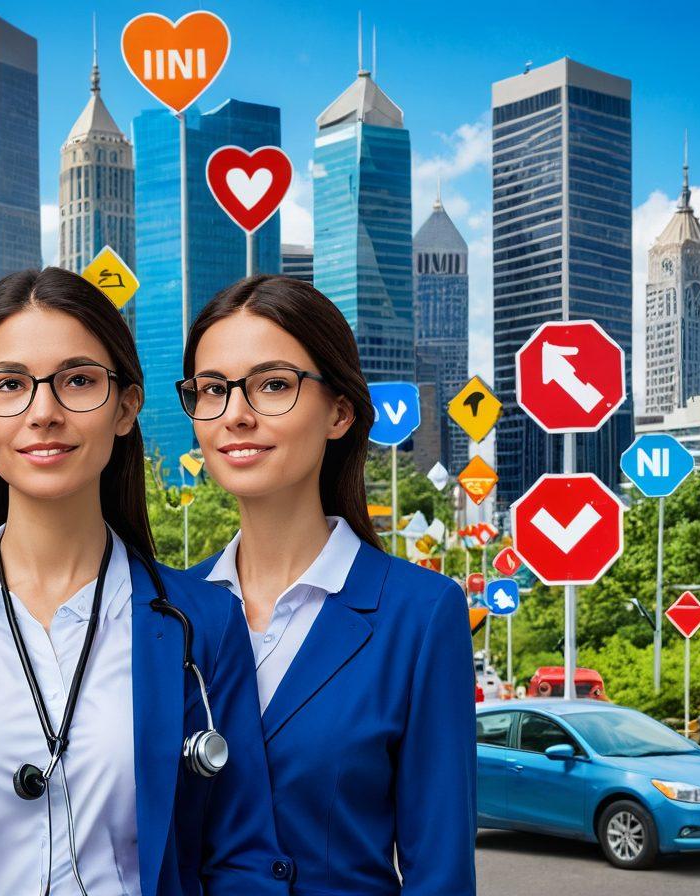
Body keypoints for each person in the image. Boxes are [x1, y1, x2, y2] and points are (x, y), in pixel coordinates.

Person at [0, 268, 292, 896]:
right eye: (10, 385)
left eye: (77, 380)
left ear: (126, 406)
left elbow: (241, 860)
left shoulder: (204, 622)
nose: (43, 412)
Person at [178, 275, 476, 895]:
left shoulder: (419, 615)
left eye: (274, 385)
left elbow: (439, 870)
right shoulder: (164, 611)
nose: (236, 413)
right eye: (212, 390)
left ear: (339, 411)